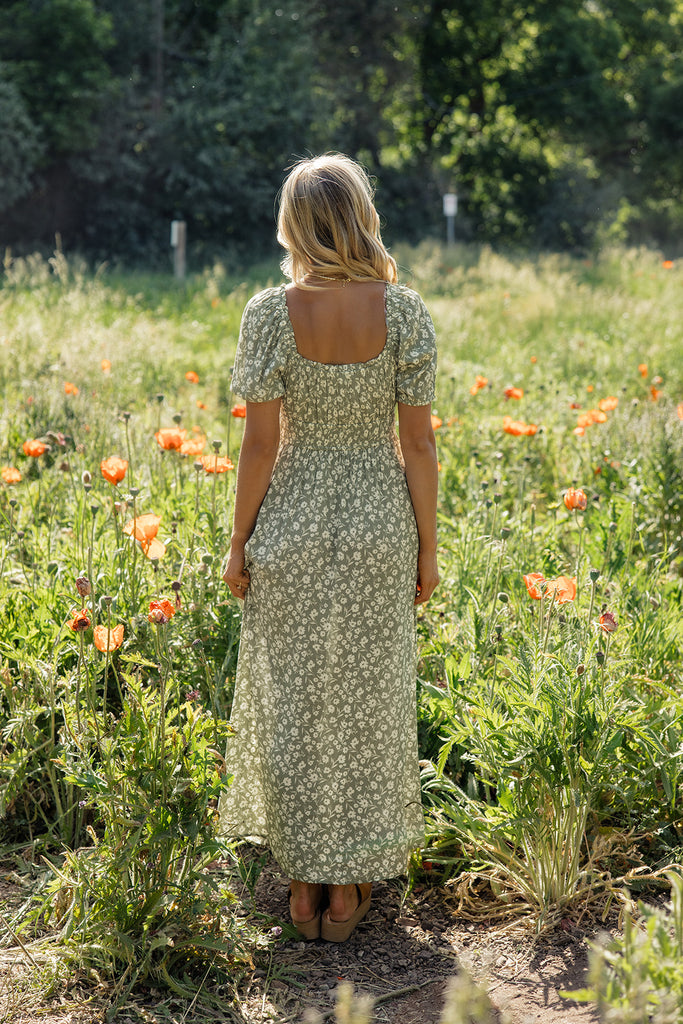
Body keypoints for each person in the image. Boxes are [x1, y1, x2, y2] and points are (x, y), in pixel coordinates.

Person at [220, 153, 439, 942]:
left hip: (296, 522)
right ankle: (349, 890)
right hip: (380, 522)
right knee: (369, 703)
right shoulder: (406, 312)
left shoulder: (268, 314)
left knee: (295, 702)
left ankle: (302, 886)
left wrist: (238, 542)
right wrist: (427, 550)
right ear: (361, 216)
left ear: (292, 224)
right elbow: (416, 446)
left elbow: (258, 445)